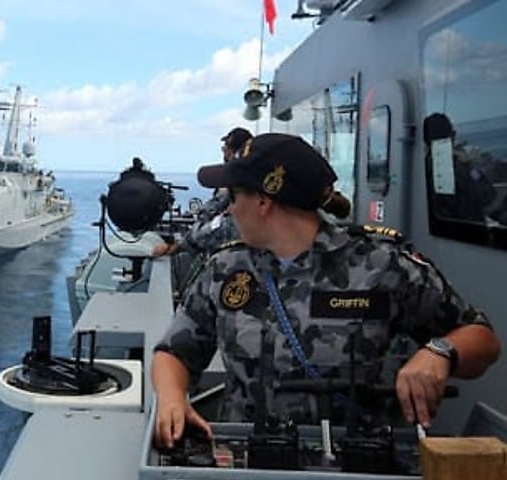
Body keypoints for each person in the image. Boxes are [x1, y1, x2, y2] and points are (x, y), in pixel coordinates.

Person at [151, 133, 501, 448]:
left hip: (361, 462)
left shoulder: (382, 265)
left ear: (263, 201)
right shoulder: (226, 269)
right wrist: (171, 396)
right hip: (250, 458)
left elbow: (482, 338)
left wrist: (439, 351)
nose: (229, 207)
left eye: (235, 195)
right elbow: (174, 352)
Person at [152, 127, 253, 258]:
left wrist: (175, 248)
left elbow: (223, 226)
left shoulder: (236, 190)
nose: (223, 151)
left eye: (225, 147)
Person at [423, 112, 497, 223]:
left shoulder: (420, 171)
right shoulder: (460, 167)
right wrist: (471, 166)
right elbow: (487, 196)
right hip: (466, 234)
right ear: (452, 135)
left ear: (426, 140)